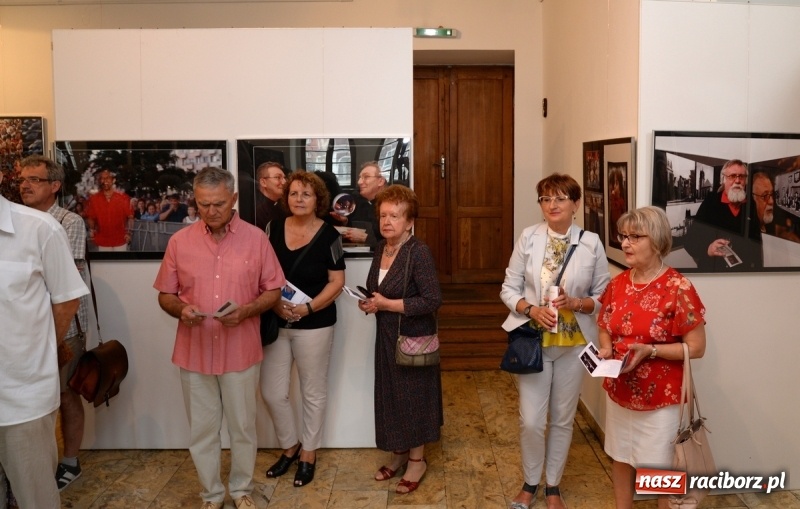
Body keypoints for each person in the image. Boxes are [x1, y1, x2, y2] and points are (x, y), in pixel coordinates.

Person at [153, 167, 284, 509]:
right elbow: (165, 295)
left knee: (242, 429)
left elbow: (273, 290)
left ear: (234, 199)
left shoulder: (256, 239)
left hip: (240, 352)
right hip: (194, 354)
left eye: (219, 204)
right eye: (203, 204)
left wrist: (247, 310)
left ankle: (240, 490)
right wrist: (180, 309)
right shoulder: (180, 241)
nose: (211, 211)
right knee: (202, 433)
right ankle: (211, 495)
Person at [500, 173, 610, 509]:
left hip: (574, 346)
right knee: (531, 420)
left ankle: (552, 486)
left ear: (576, 204)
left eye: (560, 199)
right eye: (546, 199)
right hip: (534, 342)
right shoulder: (529, 237)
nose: (552, 205)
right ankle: (530, 481)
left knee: (562, 418)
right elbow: (508, 289)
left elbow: (604, 297)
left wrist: (575, 303)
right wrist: (531, 310)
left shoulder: (591, 243)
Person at [597, 206, 707, 509]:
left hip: (661, 400)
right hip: (620, 392)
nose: (626, 243)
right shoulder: (618, 282)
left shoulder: (678, 288)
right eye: (623, 236)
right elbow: (604, 325)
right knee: (621, 457)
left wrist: (651, 350)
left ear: (657, 241)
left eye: (635, 236)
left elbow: (696, 348)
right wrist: (605, 349)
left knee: (660, 471)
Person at [0, 169, 89, 508]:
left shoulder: (39, 227)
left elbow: (67, 297)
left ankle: (70, 461)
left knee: (34, 494)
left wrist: (40, 352)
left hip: (20, 395)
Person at [260, 171, 345, 488]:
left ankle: (308, 454)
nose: (298, 199)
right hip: (276, 321)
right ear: (286, 198)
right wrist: (274, 304)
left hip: (316, 324)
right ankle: (290, 446)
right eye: (294, 193)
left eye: (306, 194)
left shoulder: (330, 236)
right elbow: (263, 273)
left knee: (313, 392)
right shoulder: (272, 228)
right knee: (272, 392)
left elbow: (337, 282)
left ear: (318, 200)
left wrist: (307, 308)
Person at [357, 184, 442, 496]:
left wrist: (386, 305)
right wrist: (369, 302)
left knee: (413, 398)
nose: (386, 221)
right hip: (385, 336)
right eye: (383, 215)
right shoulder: (382, 247)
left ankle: (417, 461)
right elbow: (377, 290)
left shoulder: (418, 252)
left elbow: (432, 300)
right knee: (390, 396)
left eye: (394, 215)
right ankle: (398, 453)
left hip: (412, 339)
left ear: (409, 222)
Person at [683, 159, 761, 270]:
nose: (737, 180)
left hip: (742, 276)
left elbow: (757, 246)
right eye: (732, 176)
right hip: (714, 274)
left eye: (741, 176)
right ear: (723, 180)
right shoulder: (710, 202)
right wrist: (708, 249)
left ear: (746, 181)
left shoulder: (750, 205)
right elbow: (690, 241)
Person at [85, 167, 134, 251]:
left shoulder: (124, 198)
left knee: (121, 264)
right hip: (103, 241)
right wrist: (91, 229)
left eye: (107, 178)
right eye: (102, 179)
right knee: (104, 264)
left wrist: (129, 233)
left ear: (113, 180)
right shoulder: (94, 199)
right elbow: (90, 217)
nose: (105, 181)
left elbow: (131, 217)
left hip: (121, 240)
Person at [338, 161, 386, 247]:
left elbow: (395, 242)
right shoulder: (359, 203)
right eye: (360, 178)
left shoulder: (390, 207)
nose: (359, 182)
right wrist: (345, 221)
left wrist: (366, 238)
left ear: (380, 181)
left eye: (366, 177)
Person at [254, 161, 288, 230]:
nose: (284, 182)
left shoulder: (282, 205)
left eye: (284, 178)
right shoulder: (256, 210)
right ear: (263, 182)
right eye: (278, 177)